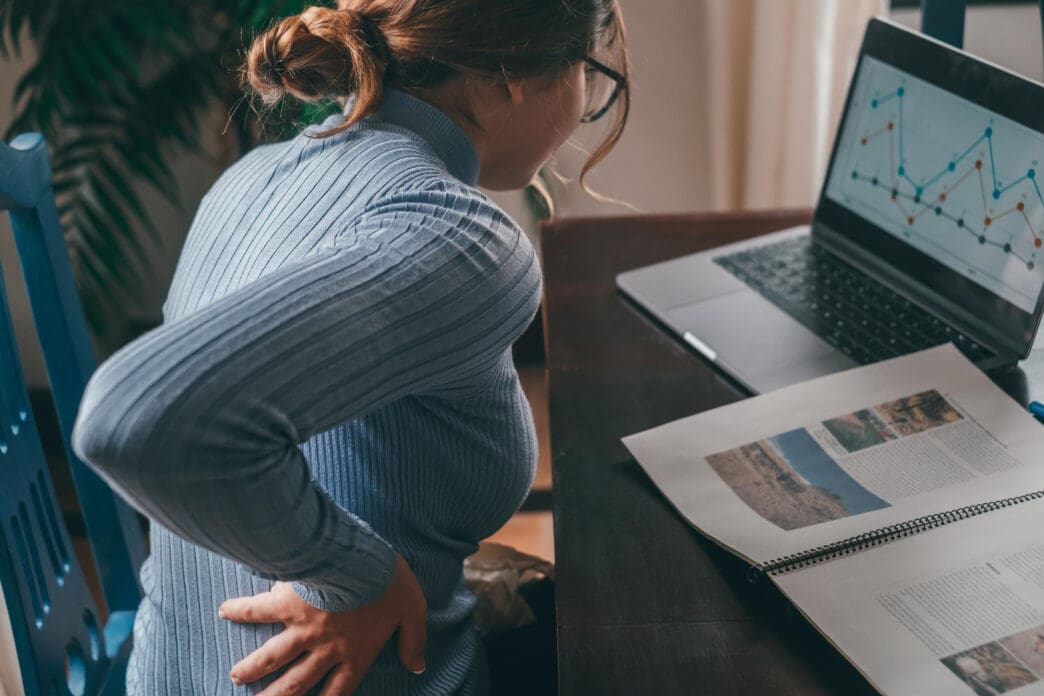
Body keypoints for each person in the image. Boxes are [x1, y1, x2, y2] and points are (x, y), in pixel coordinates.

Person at [70, 0, 629, 693]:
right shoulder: (457, 234)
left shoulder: (248, 180)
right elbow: (131, 417)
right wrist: (353, 575)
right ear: (516, 75)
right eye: (587, 69)